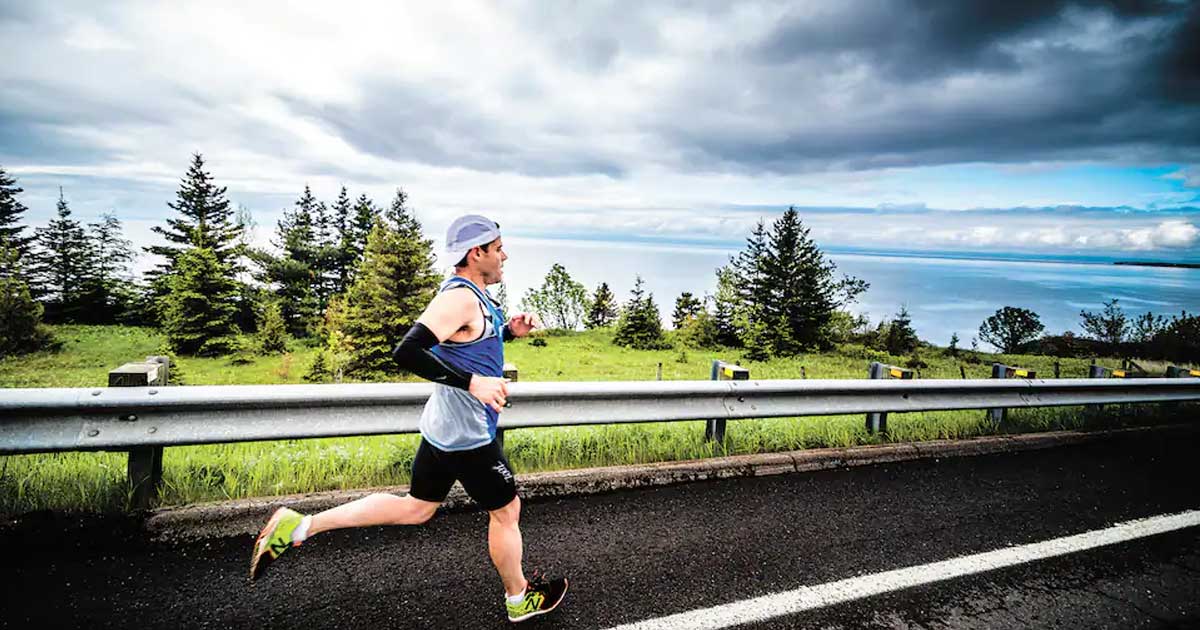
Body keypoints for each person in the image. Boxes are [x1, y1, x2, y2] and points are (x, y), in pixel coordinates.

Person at [249, 215, 567, 623]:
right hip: (466, 435)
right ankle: (518, 597)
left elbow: (466, 338)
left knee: (416, 507)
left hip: (445, 428)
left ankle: (299, 526)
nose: (505, 254)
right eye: (498, 247)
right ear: (477, 253)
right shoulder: (459, 297)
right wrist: (472, 384)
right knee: (506, 512)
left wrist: (508, 331)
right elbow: (407, 351)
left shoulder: (476, 294)